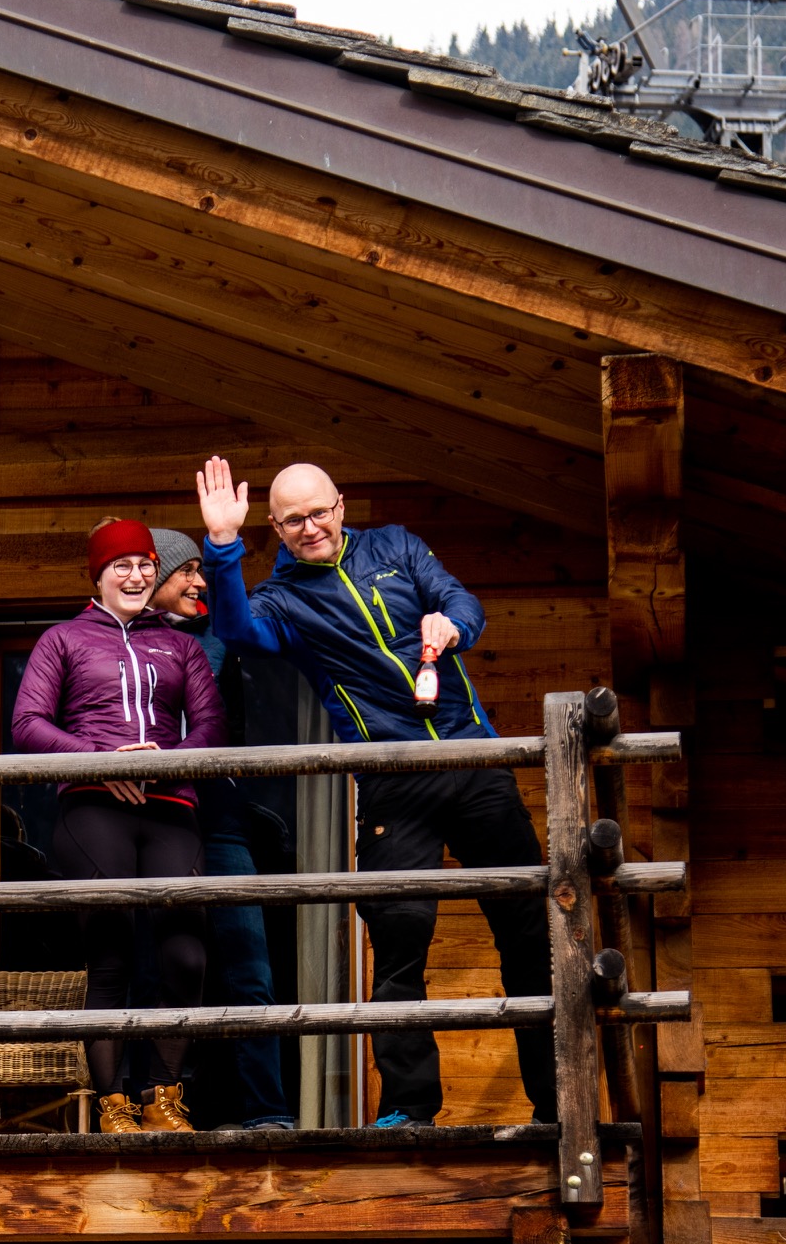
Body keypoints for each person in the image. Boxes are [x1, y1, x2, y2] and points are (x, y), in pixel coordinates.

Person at [193, 457, 557, 1129]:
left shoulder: (395, 546)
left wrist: (451, 626)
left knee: (528, 933)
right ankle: (409, 1109)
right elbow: (238, 629)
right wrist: (221, 544)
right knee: (398, 941)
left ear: (341, 505)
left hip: (474, 759)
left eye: (320, 512)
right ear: (274, 526)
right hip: (394, 783)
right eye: (294, 521)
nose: (311, 528)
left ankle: (555, 1105)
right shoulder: (283, 599)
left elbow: (462, 602)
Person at [10, 520, 225, 1134]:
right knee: (110, 955)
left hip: (171, 803)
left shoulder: (181, 645)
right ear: (98, 575)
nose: (135, 576)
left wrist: (164, 762)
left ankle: (163, 1096)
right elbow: (27, 723)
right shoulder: (63, 638)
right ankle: (113, 1103)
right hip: (92, 805)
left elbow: (212, 725)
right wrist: (103, 762)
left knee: (185, 954)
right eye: (120, 566)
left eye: (144, 565)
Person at [148, 528, 293, 1129]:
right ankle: (163, 1107)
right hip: (152, 821)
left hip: (220, 816)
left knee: (249, 967)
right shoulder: (113, 640)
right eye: (185, 572)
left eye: (201, 570)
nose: (198, 582)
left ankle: (267, 1112)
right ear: (153, 577)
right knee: (166, 965)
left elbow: (198, 689)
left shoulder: (215, 632)